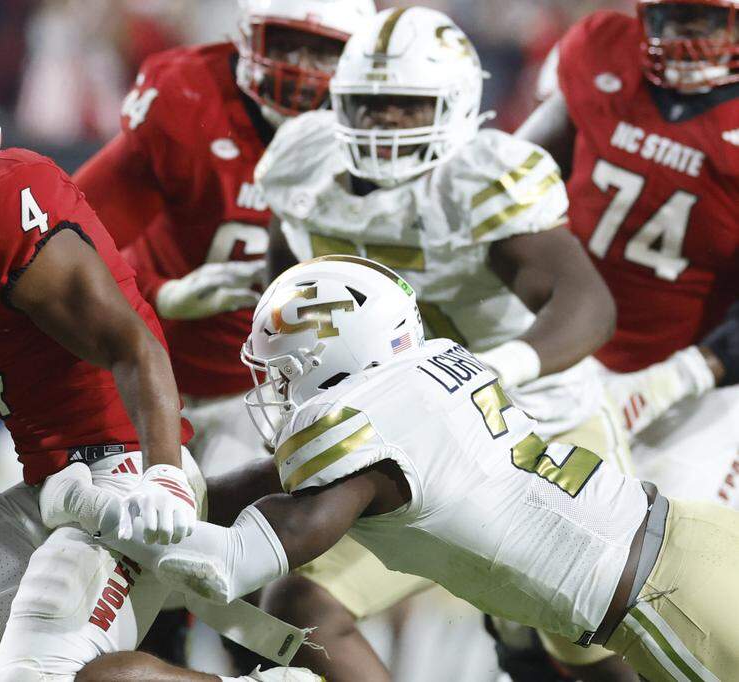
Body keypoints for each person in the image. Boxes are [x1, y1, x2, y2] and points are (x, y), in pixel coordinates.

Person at [0, 33, 313, 682]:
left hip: (127, 475)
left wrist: (162, 474)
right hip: (51, 489)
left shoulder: (0, 196)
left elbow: (131, 342)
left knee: (40, 673)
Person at [43, 255, 739, 682]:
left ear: (333, 359)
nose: (276, 392)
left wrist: (98, 510)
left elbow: (229, 567)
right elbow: (256, 490)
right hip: (690, 537)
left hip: (665, 603)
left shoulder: (356, 425)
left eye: (283, 372)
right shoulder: (426, 374)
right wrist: (149, 485)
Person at [254, 7, 623, 678]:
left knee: (585, 640)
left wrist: (494, 369)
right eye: (371, 105)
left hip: (529, 427)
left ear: (456, 105)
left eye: (407, 104)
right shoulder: (304, 167)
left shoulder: (477, 181)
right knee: (301, 605)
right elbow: (291, 285)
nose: (387, 121)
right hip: (392, 447)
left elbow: (586, 303)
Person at [74, 0, 374, 482]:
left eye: (322, 52)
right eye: (284, 43)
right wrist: (162, 293)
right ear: (249, 36)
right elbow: (74, 238)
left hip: (276, 390)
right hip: (143, 361)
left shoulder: (375, 133)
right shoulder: (190, 97)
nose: (299, 67)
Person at [517, 0, 739, 511]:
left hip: (701, 385)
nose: (687, 39)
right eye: (673, 17)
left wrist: (690, 372)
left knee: (674, 544)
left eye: (707, 21)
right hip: (568, 346)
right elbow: (515, 178)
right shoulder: (603, 50)